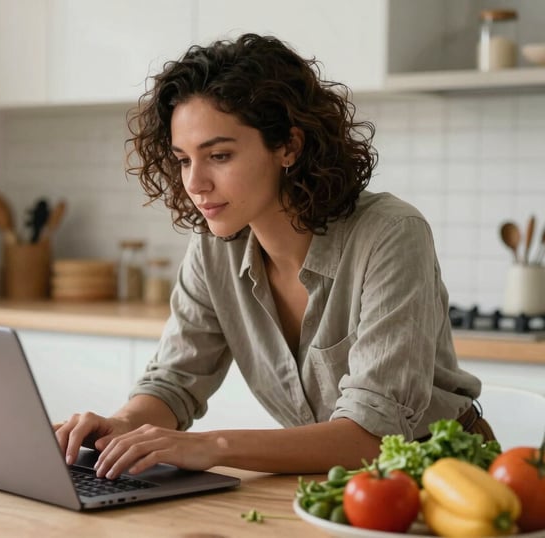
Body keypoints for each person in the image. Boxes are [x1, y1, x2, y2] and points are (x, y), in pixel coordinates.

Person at [55, 33, 491, 480]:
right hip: (334, 483)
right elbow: (174, 382)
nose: (195, 182)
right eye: (183, 160)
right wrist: (124, 425)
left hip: (447, 478)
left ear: (289, 146)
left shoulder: (390, 233)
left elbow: (371, 434)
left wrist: (210, 446)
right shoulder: (212, 248)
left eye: (219, 155)